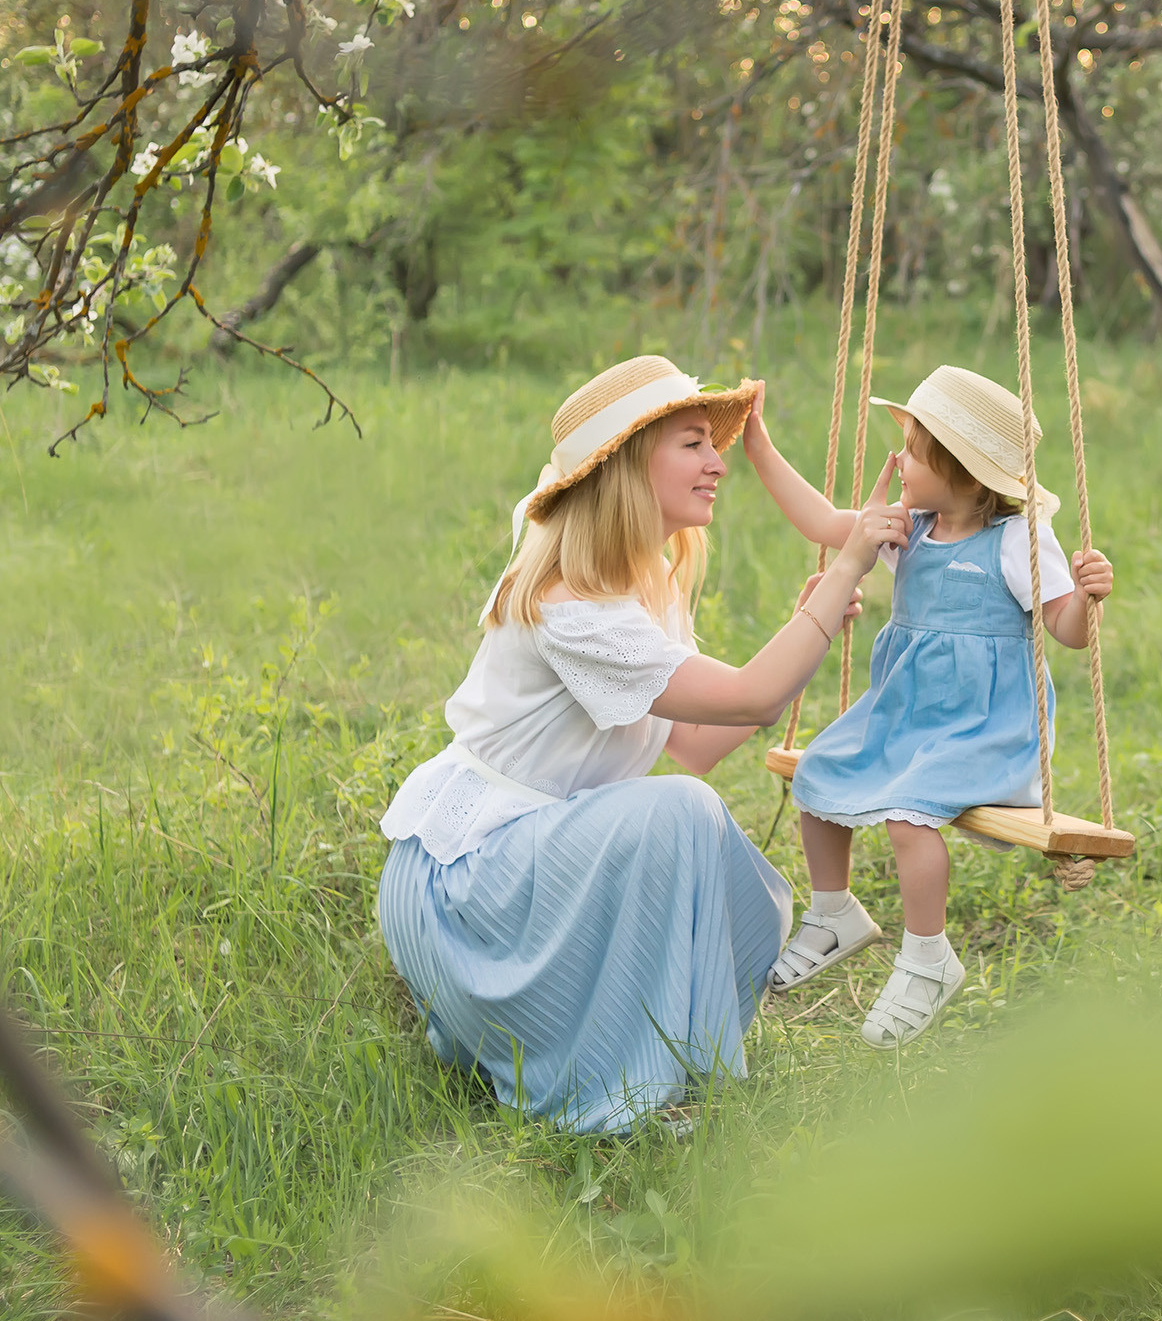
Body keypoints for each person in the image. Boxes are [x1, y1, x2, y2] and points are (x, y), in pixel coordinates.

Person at [374, 355, 906, 1133]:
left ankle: (644, 1057)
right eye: (693, 444)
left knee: (697, 823)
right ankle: (622, 1086)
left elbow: (693, 741)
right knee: (682, 815)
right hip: (467, 884)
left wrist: (809, 624)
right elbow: (747, 697)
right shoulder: (573, 600)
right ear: (628, 464)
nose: (718, 464)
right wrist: (844, 567)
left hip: (516, 857)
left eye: (712, 445)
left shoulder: (643, 579)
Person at [740, 364, 1116, 1047]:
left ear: (967, 472)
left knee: (910, 817)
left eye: (913, 449)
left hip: (983, 726)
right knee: (818, 772)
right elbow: (825, 522)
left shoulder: (1015, 540)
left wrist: (1088, 597)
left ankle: (927, 958)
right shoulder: (908, 526)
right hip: (905, 715)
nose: (898, 460)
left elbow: (1065, 629)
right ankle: (835, 912)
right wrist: (758, 446)